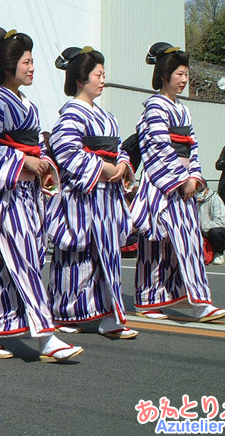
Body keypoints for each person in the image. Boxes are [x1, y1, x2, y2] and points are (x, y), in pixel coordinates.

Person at [0, 26, 83, 362]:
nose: (32, 68)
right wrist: (22, 160)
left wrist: (42, 159)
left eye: (32, 62)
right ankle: (46, 337)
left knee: (12, 267)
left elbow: (36, 144)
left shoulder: (27, 105)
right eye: (26, 62)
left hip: (25, 194)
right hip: (2, 198)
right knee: (23, 263)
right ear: (9, 66)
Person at [130, 42, 225, 322]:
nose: (185, 80)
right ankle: (149, 299)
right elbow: (158, 148)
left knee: (187, 242)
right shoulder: (154, 107)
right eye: (179, 74)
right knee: (156, 244)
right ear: (165, 76)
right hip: (163, 185)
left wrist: (195, 177)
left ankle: (197, 301)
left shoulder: (184, 110)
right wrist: (180, 179)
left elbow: (193, 146)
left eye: (186, 74)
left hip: (183, 184)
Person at [45, 46, 138, 339]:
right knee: (77, 256)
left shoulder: (107, 117)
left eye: (103, 74)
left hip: (107, 195)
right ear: (81, 79)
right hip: (83, 196)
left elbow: (120, 147)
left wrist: (122, 162)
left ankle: (110, 316)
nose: (102, 79)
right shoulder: (71, 113)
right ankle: (65, 311)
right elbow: (65, 151)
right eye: (98, 74)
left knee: (108, 255)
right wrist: (105, 167)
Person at [196, 185, 225, 265]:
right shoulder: (193, 201)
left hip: (221, 230)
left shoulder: (216, 199)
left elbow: (220, 222)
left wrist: (201, 225)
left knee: (215, 232)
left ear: (206, 190)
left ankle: (219, 253)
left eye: (200, 192)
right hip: (202, 231)